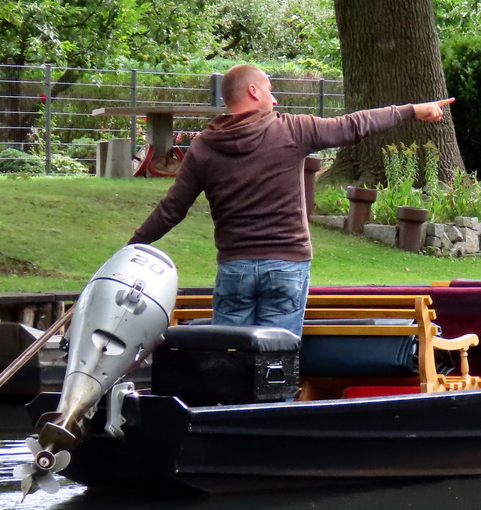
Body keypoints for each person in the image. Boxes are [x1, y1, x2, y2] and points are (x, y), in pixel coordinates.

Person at [128, 63, 453, 335]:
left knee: (229, 363)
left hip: (234, 270)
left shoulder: (203, 148)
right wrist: (412, 110)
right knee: (275, 368)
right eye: (269, 88)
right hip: (286, 268)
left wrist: (131, 249)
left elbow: (172, 209)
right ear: (253, 92)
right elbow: (355, 126)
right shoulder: (292, 130)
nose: (275, 96)